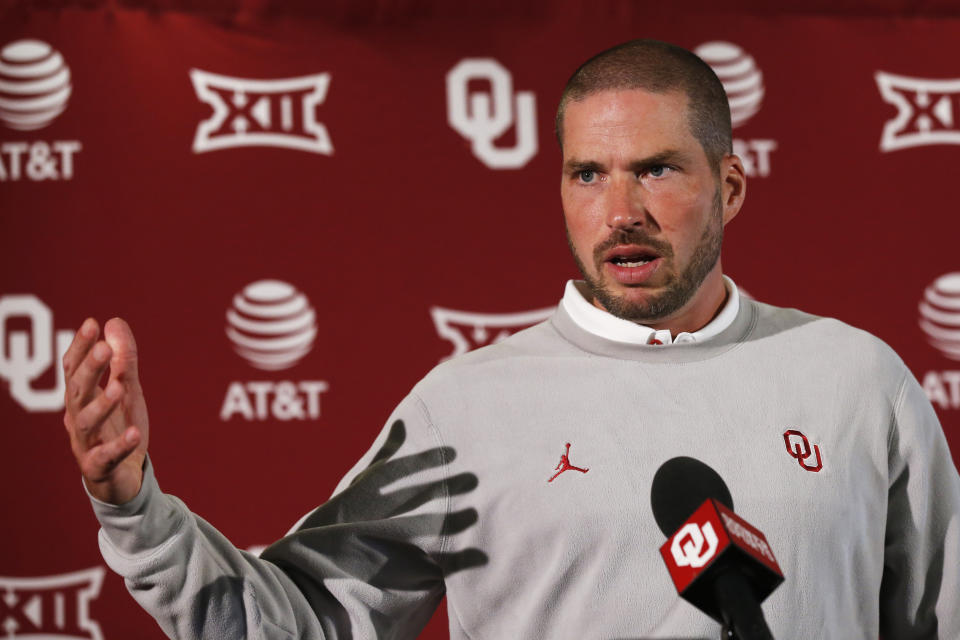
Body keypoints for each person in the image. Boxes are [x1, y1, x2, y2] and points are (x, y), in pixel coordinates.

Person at [63, 39, 960, 639]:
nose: (621, 213)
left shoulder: (856, 380)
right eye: (588, 174)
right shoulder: (468, 408)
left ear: (728, 188)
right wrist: (136, 511)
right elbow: (296, 622)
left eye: (656, 169)